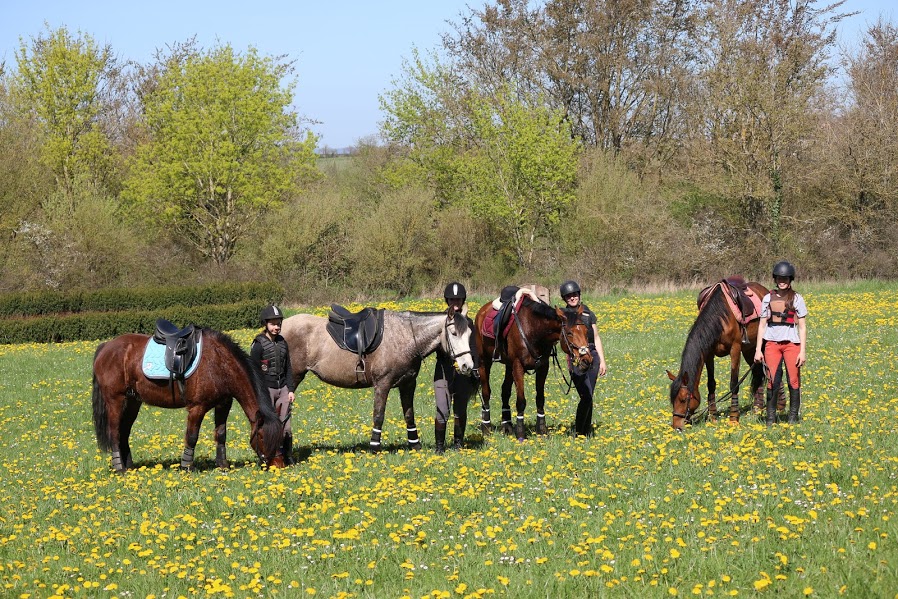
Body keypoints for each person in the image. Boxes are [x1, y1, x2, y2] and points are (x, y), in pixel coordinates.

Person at [753, 261, 808, 425]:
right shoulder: (767, 298)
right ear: (775, 279)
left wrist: (802, 351)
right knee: (772, 380)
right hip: (772, 344)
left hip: (792, 344)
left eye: (785, 278)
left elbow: (803, 327)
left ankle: (792, 418)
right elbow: (762, 325)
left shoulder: (797, 298)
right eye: (779, 278)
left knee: (793, 381)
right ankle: (770, 419)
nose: (782, 281)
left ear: (790, 279)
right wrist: (758, 349)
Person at [433, 282, 479, 453]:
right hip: (443, 371)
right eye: (452, 299)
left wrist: (476, 367)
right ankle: (439, 447)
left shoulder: (468, 322)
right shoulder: (440, 322)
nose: (455, 302)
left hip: (463, 373)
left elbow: (473, 346)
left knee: (460, 409)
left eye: (458, 299)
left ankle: (458, 444)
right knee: (442, 410)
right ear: (447, 300)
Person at [560, 280, 607, 436]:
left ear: (579, 295)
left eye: (574, 295)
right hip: (576, 358)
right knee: (585, 395)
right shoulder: (562, 316)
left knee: (589, 396)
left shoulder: (588, 313)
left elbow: (597, 337)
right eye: (569, 296)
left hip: (592, 354)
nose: (572, 298)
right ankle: (581, 432)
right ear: (564, 299)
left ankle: (585, 432)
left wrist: (602, 360)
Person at [250, 305, 296, 463]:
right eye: (273, 324)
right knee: (269, 426)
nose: (276, 327)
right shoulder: (258, 345)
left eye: (279, 324)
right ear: (265, 324)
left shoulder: (283, 343)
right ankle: (266, 455)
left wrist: (290, 389)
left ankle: (287, 455)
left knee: (286, 426)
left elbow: (288, 368)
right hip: (266, 389)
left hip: (282, 387)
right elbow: (253, 371)